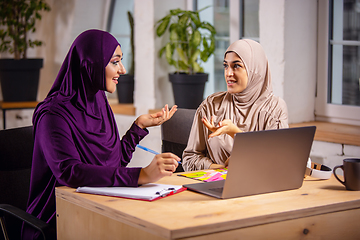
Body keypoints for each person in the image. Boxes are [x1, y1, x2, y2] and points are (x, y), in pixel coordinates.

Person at [22, 29, 179, 240]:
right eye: (115, 62)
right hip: (56, 220)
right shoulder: (52, 114)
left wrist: (138, 126)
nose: (122, 69)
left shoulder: (99, 102)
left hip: (97, 209)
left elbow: (113, 164)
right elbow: (70, 173)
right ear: (90, 64)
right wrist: (141, 175)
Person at [182, 39, 288, 171]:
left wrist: (235, 133)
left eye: (236, 66)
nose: (228, 73)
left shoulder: (274, 108)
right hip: (216, 185)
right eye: (226, 66)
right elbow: (190, 159)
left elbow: (278, 163)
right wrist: (223, 169)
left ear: (255, 69)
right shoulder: (211, 105)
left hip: (261, 189)